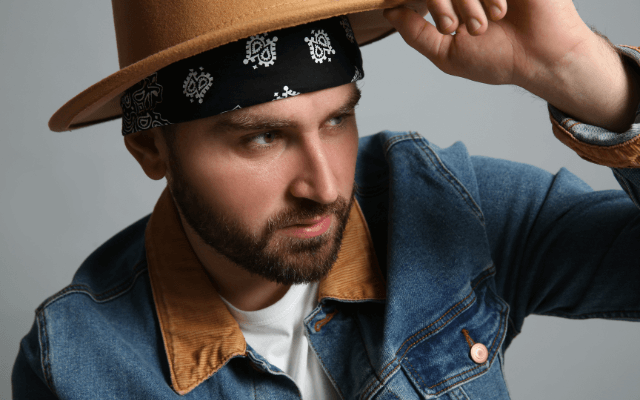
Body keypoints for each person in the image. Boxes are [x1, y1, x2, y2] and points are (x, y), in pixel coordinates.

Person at [12, 0, 640, 398]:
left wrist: (587, 76)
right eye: (262, 137)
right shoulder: (76, 363)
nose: (326, 186)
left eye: (338, 121)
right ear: (152, 148)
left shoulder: (446, 202)